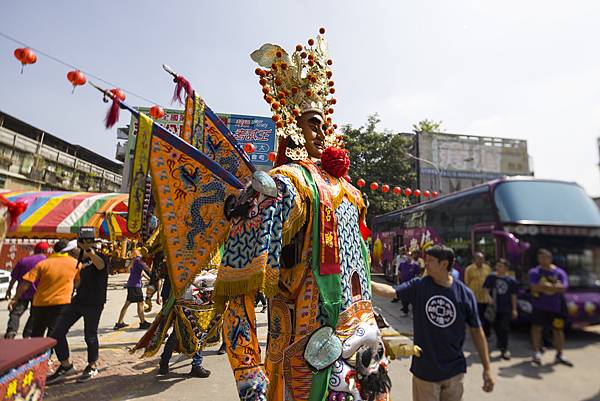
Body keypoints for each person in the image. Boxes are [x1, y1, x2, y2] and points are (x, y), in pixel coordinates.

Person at [213, 29, 394, 400]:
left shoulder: (353, 194)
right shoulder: (283, 185)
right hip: (307, 357)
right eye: (312, 120)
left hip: (364, 351)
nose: (322, 128)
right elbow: (238, 284)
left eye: (323, 120)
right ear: (292, 124)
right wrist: (249, 376)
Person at [372, 245, 494, 401]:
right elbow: (391, 292)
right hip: (425, 372)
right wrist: (365, 282)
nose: (426, 264)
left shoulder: (464, 294)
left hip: (454, 372)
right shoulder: (420, 285)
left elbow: (477, 332)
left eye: (430, 260)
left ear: (444, 264)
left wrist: (487, 369)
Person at [45, 234, 110, 384]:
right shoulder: (77, 261)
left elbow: (100, 266)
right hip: (77, 301)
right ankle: (66, 366)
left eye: (71, 251)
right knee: (57, 332)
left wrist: (90, 251)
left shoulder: (99, 257)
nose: (69, 254)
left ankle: (92, 365)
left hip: (94, 304)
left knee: (90, 335)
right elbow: (78, 280)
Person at [8, 239, 79, 338]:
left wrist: (15, 298)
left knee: (36, 330)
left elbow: (26, 281)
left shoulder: (43, 263)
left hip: (40, 301)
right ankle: (48, 349)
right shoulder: (76, 264)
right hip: (62, 302)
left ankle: (33, 347)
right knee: (54, 330)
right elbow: (79, 282)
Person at [529, 249, 573, 367]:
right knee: (536, 329)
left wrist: (545, 287)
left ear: (550, 258)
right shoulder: (534, 272)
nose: (542, 260)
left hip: (557, 307)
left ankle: (559, 354)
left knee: (558, 330)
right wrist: (554, 287)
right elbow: (533, 288)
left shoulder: (560, 272)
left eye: (545, 258)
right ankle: (536, 353)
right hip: (539, 307)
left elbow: (563, 288)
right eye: (540, 258)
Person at [4, 241, 48, 339]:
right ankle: (27, 334)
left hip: (22, 292)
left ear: (35, 250)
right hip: (39, 294)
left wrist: (9, 290)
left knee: (15, 313)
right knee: (34, 315)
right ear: (45, 250)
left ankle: (11, 331)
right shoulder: (47, 262)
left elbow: (14, 278)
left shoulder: (23, 260)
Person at [483, 258, 518, 360]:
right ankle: (499, 341)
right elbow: (486, 289)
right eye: (497, 266)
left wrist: (514, 309)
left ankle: (504, 349)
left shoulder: (511, 280)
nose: (498, 268)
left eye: (500, 266)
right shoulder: (491, 277)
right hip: (494, 307)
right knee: (495, 326)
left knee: (504, 328)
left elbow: (513, 296)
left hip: (506, 307)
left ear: (506, 268)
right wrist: (488, 297)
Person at [114, 247, 151, 330]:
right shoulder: (138, 260)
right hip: (135, 285)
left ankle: (120, 322)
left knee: (131, 303)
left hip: (132, 284)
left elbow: (142, 272)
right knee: (139, 303)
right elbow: (147, 268)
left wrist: (149, 279)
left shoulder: (136, 261)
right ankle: (142, 322)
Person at [464, 251, 492, 336]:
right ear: (474, 259)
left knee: (487, 317)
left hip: (485, 297)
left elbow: (490, 281)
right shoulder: (469, 269)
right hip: (475, 297)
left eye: (482, 258)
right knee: (478, 316)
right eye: (479, 258)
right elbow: (466, 283)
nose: (481, 260)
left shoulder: (487, 268)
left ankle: (487, 334)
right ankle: (478, 333)